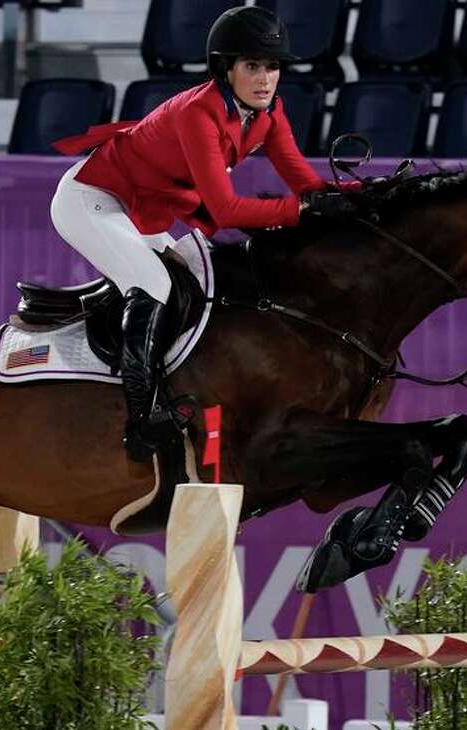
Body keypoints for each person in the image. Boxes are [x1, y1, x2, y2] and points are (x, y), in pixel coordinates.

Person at [51, 6, 350, 463]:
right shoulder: (198, 113)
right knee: (153, 284)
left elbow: (304, 182)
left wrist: (357, 198)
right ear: (225, 70)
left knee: (191, 281)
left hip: (140, 212)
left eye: (272, 67)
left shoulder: (268, 114)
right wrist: (300, 210)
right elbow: (226, 209)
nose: (266, 78)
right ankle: (141, 414)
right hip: (91, 199)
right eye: (253, 66)